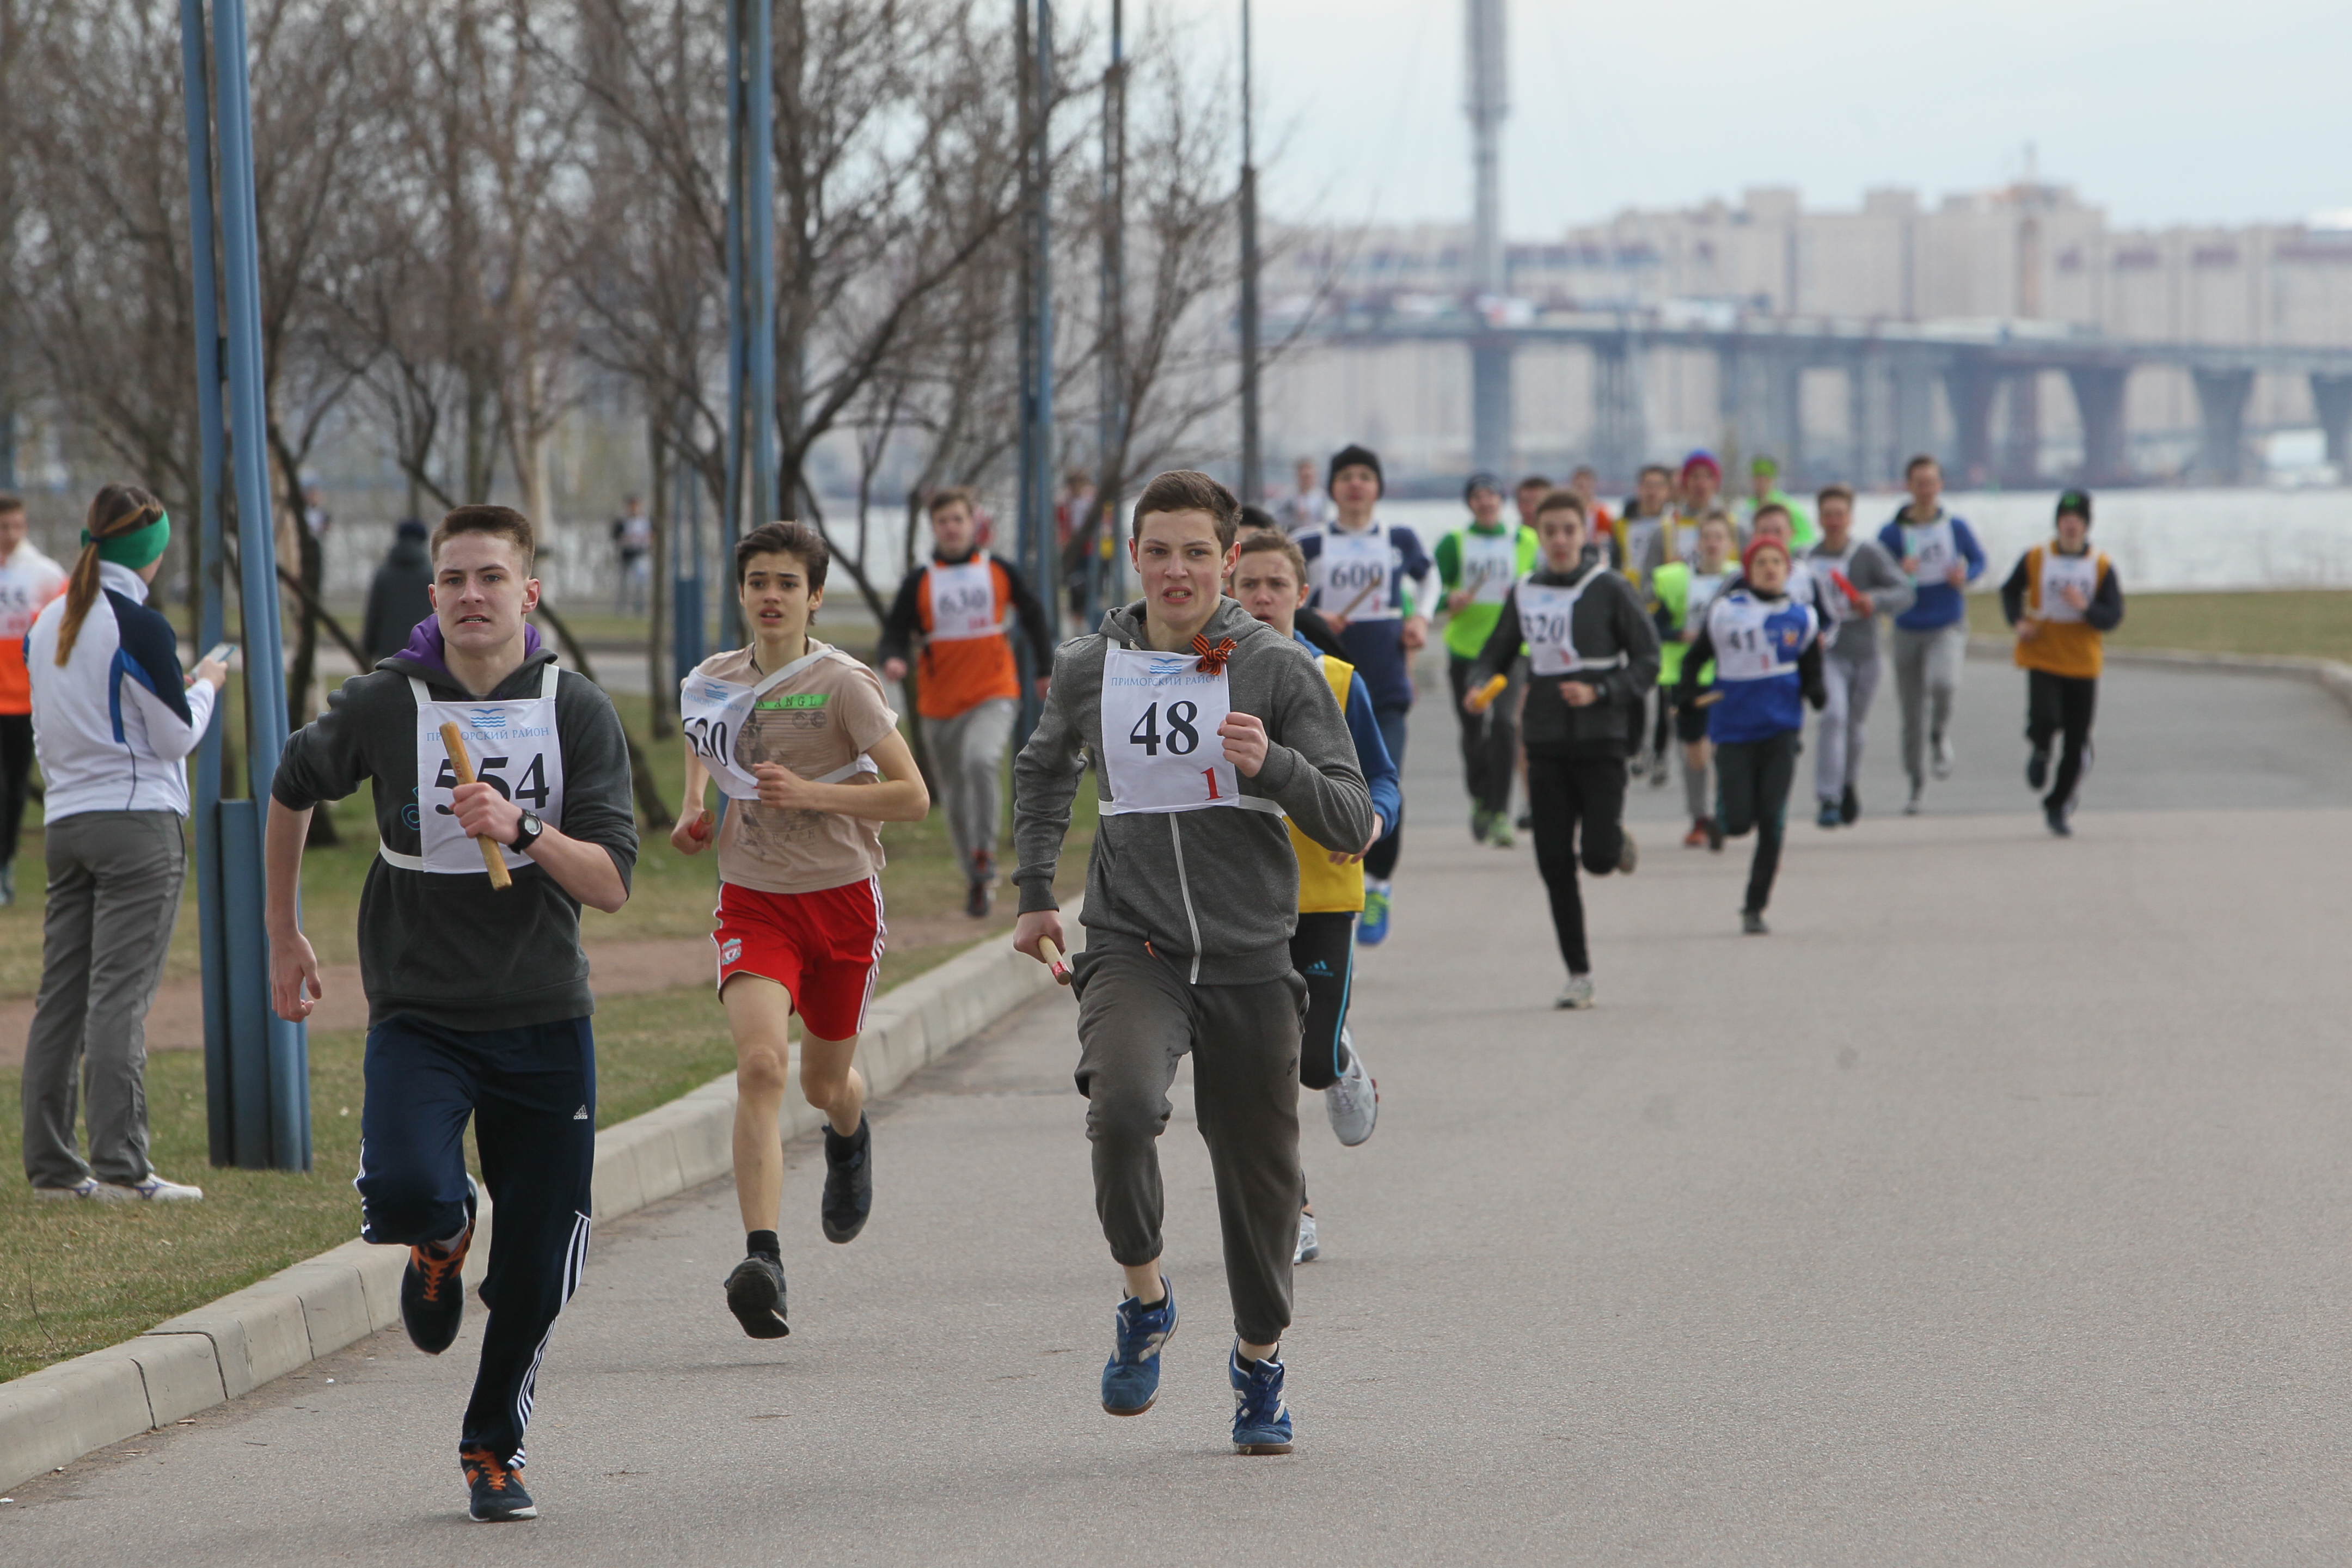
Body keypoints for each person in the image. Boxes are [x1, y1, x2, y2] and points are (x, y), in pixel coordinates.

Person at [266, 504, 640, 1523]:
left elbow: (609, 884)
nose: (472, 596)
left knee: (541, 1264)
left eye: (491, 578)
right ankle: (439, 1240)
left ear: (529, 591)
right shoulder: (391, 702)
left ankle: (493, 1446)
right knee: (403, 1188)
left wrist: (522, 828)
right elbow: (292, 785)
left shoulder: (576, 711)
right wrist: (281, 931)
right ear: (433, 595)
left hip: (543, 1018)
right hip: (421, 1010)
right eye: (454, 581)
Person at [1012, 469, 1373, 1457]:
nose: (1177, 570)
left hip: (1254, 952)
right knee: (1122, 1108)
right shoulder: (1093, 664)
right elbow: (1044, 769)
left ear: (1229, 561)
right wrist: (1035, 893)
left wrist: (1278, 766)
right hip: (1135, 942)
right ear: (1135, 557)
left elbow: (1352, 816)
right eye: (1159, 551)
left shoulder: (1277, 668)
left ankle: (1259, 1367)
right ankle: (1146, 1296)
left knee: (1260, 1179)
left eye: (1198, 554)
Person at [672, 521, 930, 1339]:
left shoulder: (845, 685)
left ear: (814, 596)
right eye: (758, 582)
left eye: (788, 582)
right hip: (754, 900)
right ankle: (763, 1259)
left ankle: (849, 1133)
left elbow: (914, 797)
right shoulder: (712, 678)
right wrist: (694, 805)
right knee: (759, 1065)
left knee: (824, 1085)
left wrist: (813, 795)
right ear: (742, 593)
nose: (771, 596)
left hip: (843, 901)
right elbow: (702, 738)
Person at [21, 485, 225, 1202]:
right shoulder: (140, 625)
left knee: (62, 999)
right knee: (117, 1000)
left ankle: (51, 1168)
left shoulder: (46, 623)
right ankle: (121, 1168)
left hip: (66, 824)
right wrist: (206, 684)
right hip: (137, 823)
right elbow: (176, 736)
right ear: (154, 553)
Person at [1228, 527, 1400, 1266]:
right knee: (1261, 1069)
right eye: (1248, 586)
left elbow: (1383, 778)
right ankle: (1292, 1209)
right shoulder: (1204, 669)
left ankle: (1341, 1062)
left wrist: (1372, 820)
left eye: (1276, 586)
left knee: (1311, 1062)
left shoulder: (1337, 678)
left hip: (1326, 893)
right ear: (1228, 593)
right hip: (1239, 897)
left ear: (1302, 594)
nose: (1261, 598)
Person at [1464, 489, 1657, 1010]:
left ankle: (1613, 840)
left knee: (1595, 857)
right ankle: (1579, 973)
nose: (1560, 540)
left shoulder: (1611, 589)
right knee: (1553, 861)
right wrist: (1480, 682)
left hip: (1603, 737)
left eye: (1570, 530)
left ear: (1587, 534)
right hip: (1546, 738)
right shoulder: (1525, 590)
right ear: (1539, 536)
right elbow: (1497, 653)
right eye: (1550, 532)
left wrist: (1603, 690)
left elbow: (1648, 661)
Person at [878, 486, 1055, 916]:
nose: (952, 528)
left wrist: (1044, 670)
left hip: (994, 692)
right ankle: (974, 872)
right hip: (940, 705)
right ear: (934, 529)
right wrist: (895, 659)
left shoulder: (997, 569)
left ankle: (988, 854)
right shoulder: (920, 580)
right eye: (943, 522)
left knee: (981, 760)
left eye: (958, 519)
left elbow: (1032, 615)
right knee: (954, 796)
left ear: (973, 522)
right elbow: (894, 632)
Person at [1297, 444, 1431, 946]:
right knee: (1331, 783)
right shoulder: (1309, 542)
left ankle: (1378, 884)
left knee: (1383, 778)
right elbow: (1289, 596)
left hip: (1387, 685)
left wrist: (1420, 618)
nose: (1356, 484)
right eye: (1347, 476)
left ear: (1377, 487)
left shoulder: (1398, 539)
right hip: (1325, 687)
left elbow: (1429, 576)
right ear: (1332, 488)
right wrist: (1315, 620)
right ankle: (1321, 889)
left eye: (1365, 476)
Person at [1679, 536, 1826, 935]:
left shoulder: (1802, 617)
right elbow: (1695, 661)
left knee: (1772, 821)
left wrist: (1816, 690)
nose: (1769, 568)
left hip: (1781, 728)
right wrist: (1688, 692)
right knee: (1741, 821)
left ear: (1788, 570)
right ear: (1747, 569)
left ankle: (1754, 906)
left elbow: (1811, 664)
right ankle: (1722, 818)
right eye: (1760, 562)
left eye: (1777, 561)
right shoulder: (1726, 613)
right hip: (1734, 729)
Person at [1999, 489, 2124, 837]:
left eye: (2077, 521)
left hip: (2083, 662)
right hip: (2043, 654)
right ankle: (2040, 748)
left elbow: (2113, 616)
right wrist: (2018, 621)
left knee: (2077, 740)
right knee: (2046, 718)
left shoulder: (2100, 566)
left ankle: (2058, 805)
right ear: (2057, 524)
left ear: (2086, 526)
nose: (2071, 526)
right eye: (2065, 521)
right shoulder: (2037, 557)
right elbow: (2009, 591)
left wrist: (2085, 607)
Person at [1877, 455, 1987, 814]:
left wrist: (1965, 576)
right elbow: (1877, 574)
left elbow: (1979, 560)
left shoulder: (1956, 528)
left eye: (1932, 482)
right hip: (1908, 626)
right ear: (1909, 487)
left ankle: (1940, 735)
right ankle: (1915, 784)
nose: (1926, 490)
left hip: (1946, 622)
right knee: (1911, 715)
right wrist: (1898, 570)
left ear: (1940, 486)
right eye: (1919, 483)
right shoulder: (1893, 533)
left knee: (1944, 684)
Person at [1435, 473, 1538, 846]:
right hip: (1466, 648)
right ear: (1470, 503)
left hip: (1512, 651)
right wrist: (1450, 599)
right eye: (1478, 496)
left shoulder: (1525, 540)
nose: (1486, 501)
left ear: (1501, 500)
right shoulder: (1455, 543)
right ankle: (1480, 798)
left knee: (1506, 727)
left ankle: (1499, 813)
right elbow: (1432, 589)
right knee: (1474, 732)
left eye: (1492, 495)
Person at [1807, 484, 1913, 829]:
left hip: (1865, 653)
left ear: (1850, 518)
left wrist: (1874, 601)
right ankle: (1828, 797)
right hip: (1827, 653)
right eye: (1828, 515)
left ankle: (1848, 782)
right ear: (1819, 518)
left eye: (1840, 515)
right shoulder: (1806, 557)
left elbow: (1904, 591)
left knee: (1854, 726)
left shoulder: (1867, 554)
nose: (1834, 522)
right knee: (1833, 717)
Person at [1649, 513, 1736, 849]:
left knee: (1724, 747)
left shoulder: (1740, 580)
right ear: (1698, 543)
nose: (1713, 544)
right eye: (1707, 537)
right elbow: (1653, 625)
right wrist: (1679, 634)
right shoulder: (1675, 580)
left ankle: (1722, 810)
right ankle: (1699, 815)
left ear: (1729, 544)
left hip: (1729, 674)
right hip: (1686, 675)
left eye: (1719, 537)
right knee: (1694, 751)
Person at [0, 493, 68, 905]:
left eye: (17, 526)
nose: (10, 535)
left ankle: (5, 867)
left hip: (25, 701)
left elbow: (63, 629)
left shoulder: (44, 574)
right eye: (3, 527)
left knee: (13, 788)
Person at [363, 518, 436, 668]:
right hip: (425, 650)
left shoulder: (384, 573)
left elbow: (374, 613)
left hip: (389, 651)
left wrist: (367, 650)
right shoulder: (431, 575)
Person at [1610, 463, 1676, 587]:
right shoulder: (1621, 525)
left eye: (1658, 487)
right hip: (1627, 592)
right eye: (1648, 485)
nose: (1652, 492)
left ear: (1668, 491)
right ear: (1639, 488)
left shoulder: (1674, 525)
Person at [1739, 456, 1817, 549]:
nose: (1761, 484)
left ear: (1772, 480)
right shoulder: (1746, 508)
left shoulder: (1789, 507)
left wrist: (1783, 547)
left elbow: (1808, 538)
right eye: (1757, 479)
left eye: (1765, 479)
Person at [611, 495, 652, 616]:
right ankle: (622, 609)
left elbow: (651, 536)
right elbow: (616, 537)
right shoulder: (623, 522)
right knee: (624, 583)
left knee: (640, 583)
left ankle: (639, 608)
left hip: (640, 554)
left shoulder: (645, 521)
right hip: (626, 554)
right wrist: (625, 539)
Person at [1278, 457, 1329, 536]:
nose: (1306, 473)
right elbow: (1279, 519)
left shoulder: (1324, 497)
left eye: (1309, 469)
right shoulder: (1286, 497)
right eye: (1302, 470)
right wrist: (1296, 518)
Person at [1569, 465, 1614, 541]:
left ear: (1593, 483)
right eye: (1578, 479)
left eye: (1586, 480)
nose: (1582, 483)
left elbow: (1606, 538)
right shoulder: (1566, 510)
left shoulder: (1601, 512)